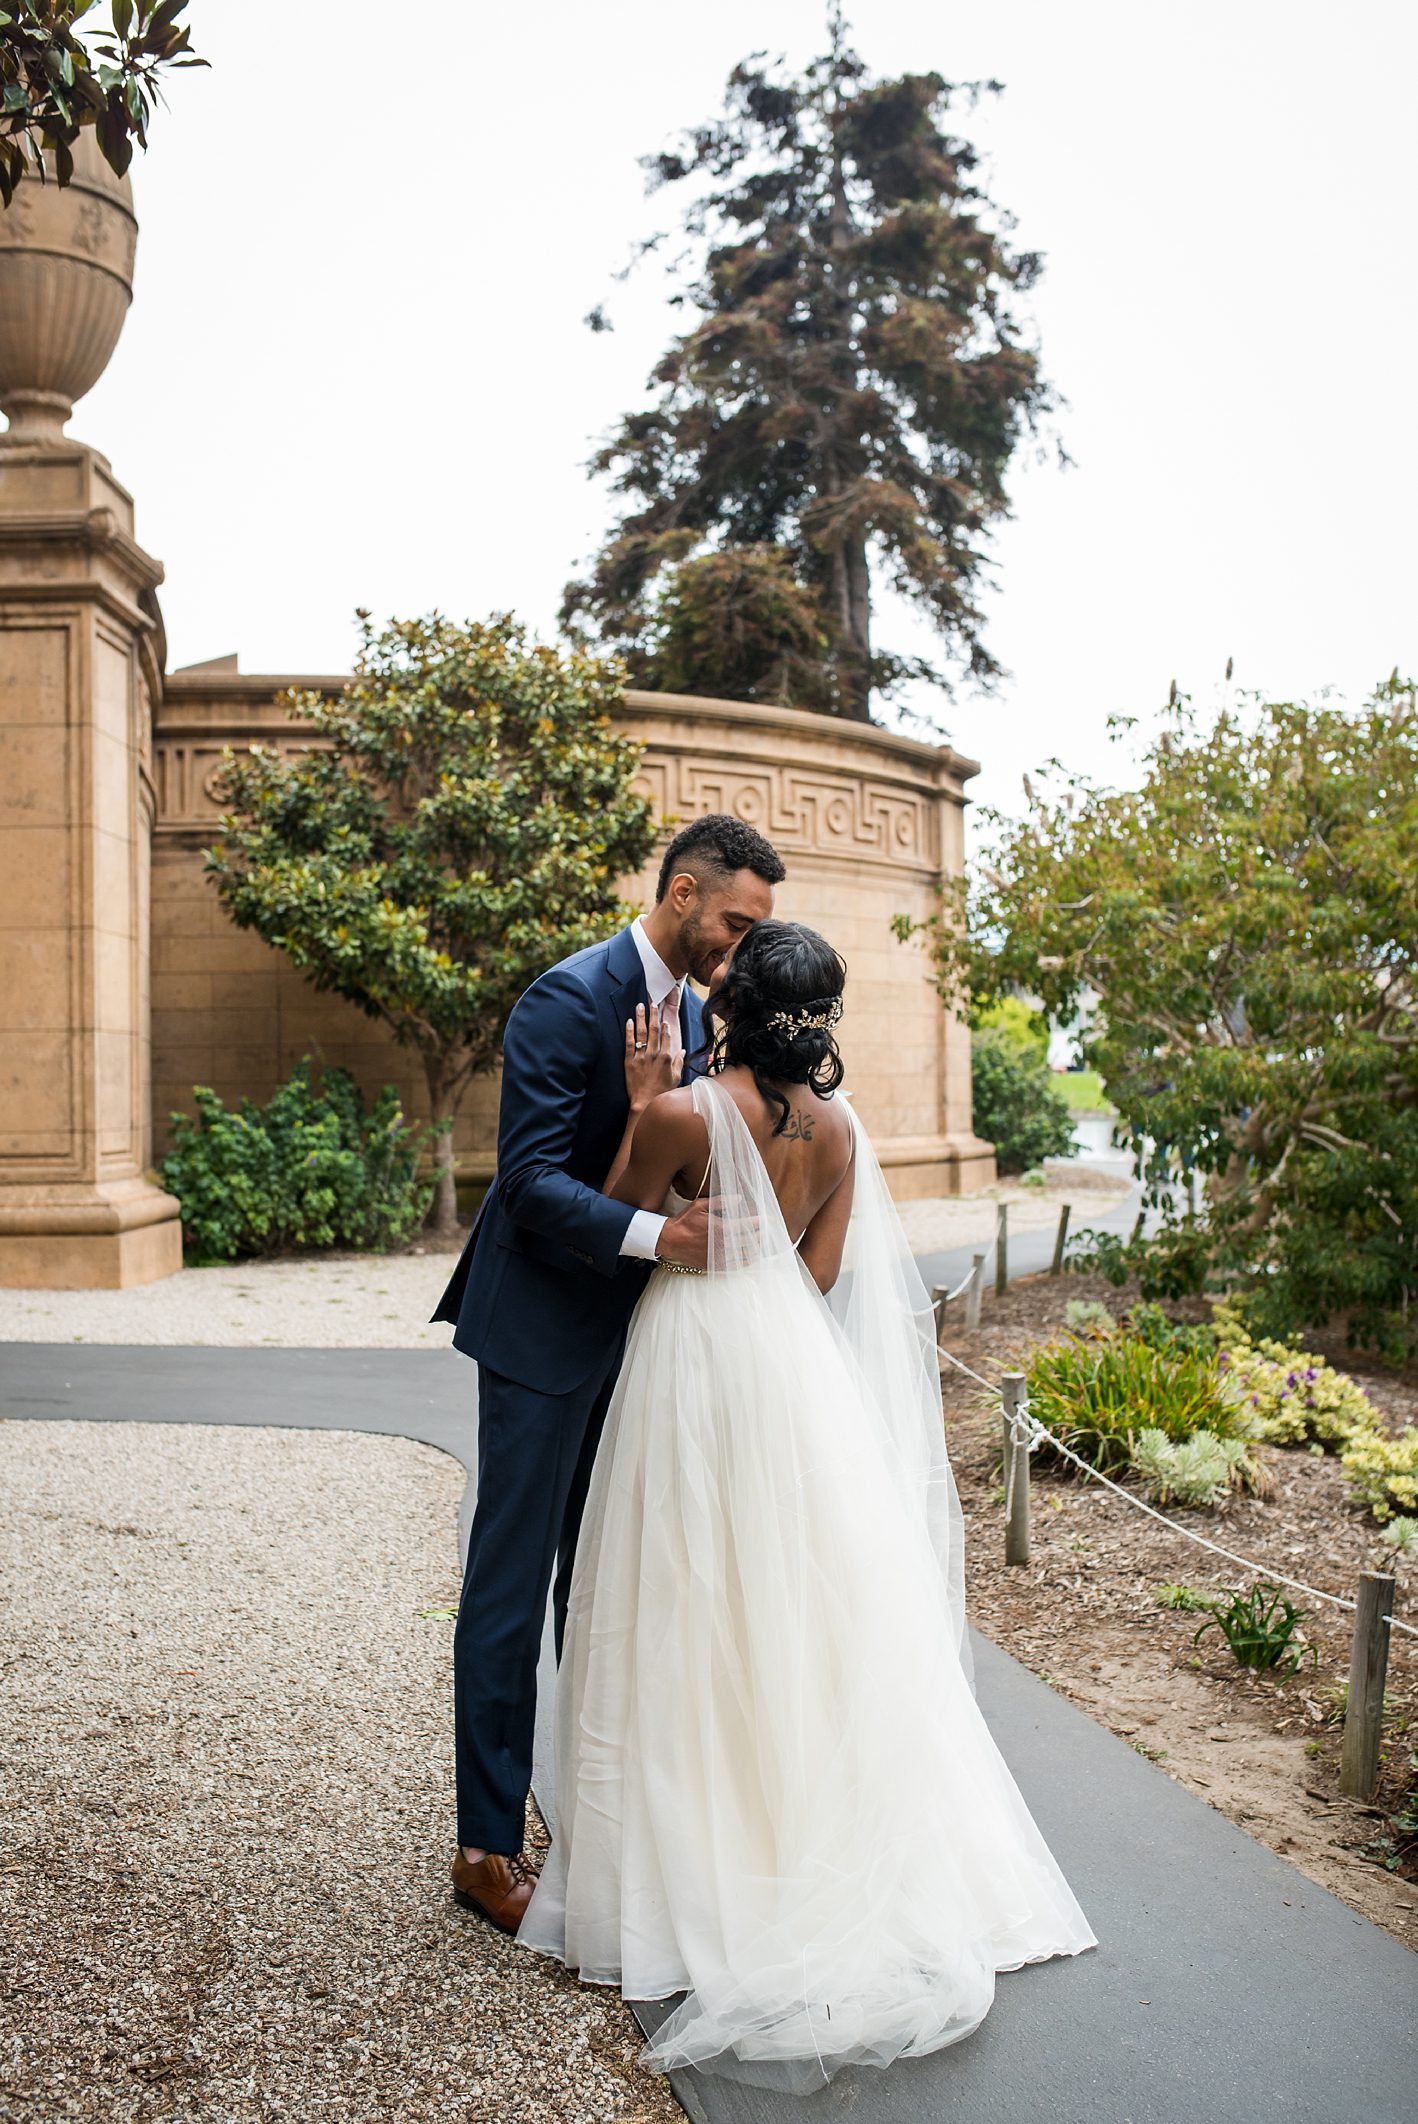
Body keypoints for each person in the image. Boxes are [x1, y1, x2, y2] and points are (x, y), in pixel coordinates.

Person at [515, 919, 1097, 2091]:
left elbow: (621, 1228)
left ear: (729, 1002)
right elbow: (820, 1277)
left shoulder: (686, 1111)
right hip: (787, 1375)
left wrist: (640, 1109)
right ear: (816, 1016)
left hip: (689, 1361)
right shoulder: (835, 1130)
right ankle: (800, 1837)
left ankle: (679, 1872)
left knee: (681, 1589)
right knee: (791, 1602)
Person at [430, 814, 787, 1933]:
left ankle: (591, 1820)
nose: (739, 949)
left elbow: (671, 1154)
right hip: (539, 1332)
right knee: (508, 1589)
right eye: (732, 922)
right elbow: (527, 1185)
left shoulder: (694, 1012)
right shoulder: (565, 999)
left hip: (639, 1342)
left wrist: (694, 1210)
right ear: (682, 893)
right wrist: (659, 1241)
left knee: (604, 1584)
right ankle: (484, 1847)